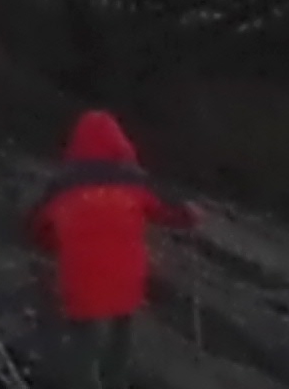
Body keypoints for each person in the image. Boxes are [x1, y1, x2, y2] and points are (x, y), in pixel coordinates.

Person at [29, 109, 193, 385]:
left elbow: (37, 226)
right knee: (122, 325)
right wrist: (189, 216)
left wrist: (51, 245)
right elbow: (166, 211)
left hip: (80, 275)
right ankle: (115, 380)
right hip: (125, 275)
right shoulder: (133, 181)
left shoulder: (62, 184)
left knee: (84, 335)